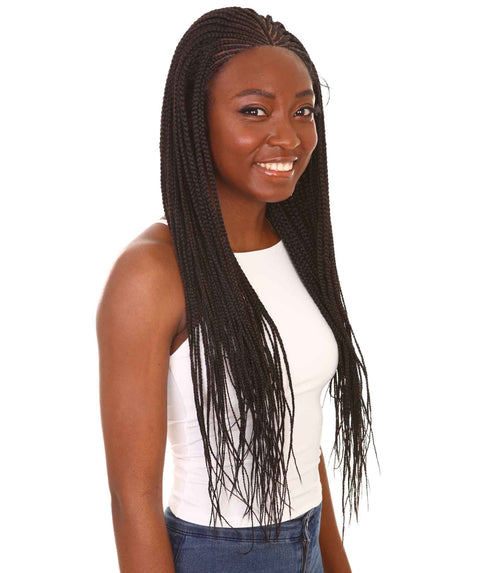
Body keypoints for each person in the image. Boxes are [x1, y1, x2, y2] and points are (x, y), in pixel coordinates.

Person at [96, 7, 378, 573]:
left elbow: (296, 436)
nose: (289, 136)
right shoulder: (152, 272)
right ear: (195, 121)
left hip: (308, 539)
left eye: (303, 111)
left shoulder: (295, 247)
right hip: (219, 554)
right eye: (254, 111)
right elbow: (132, 502)